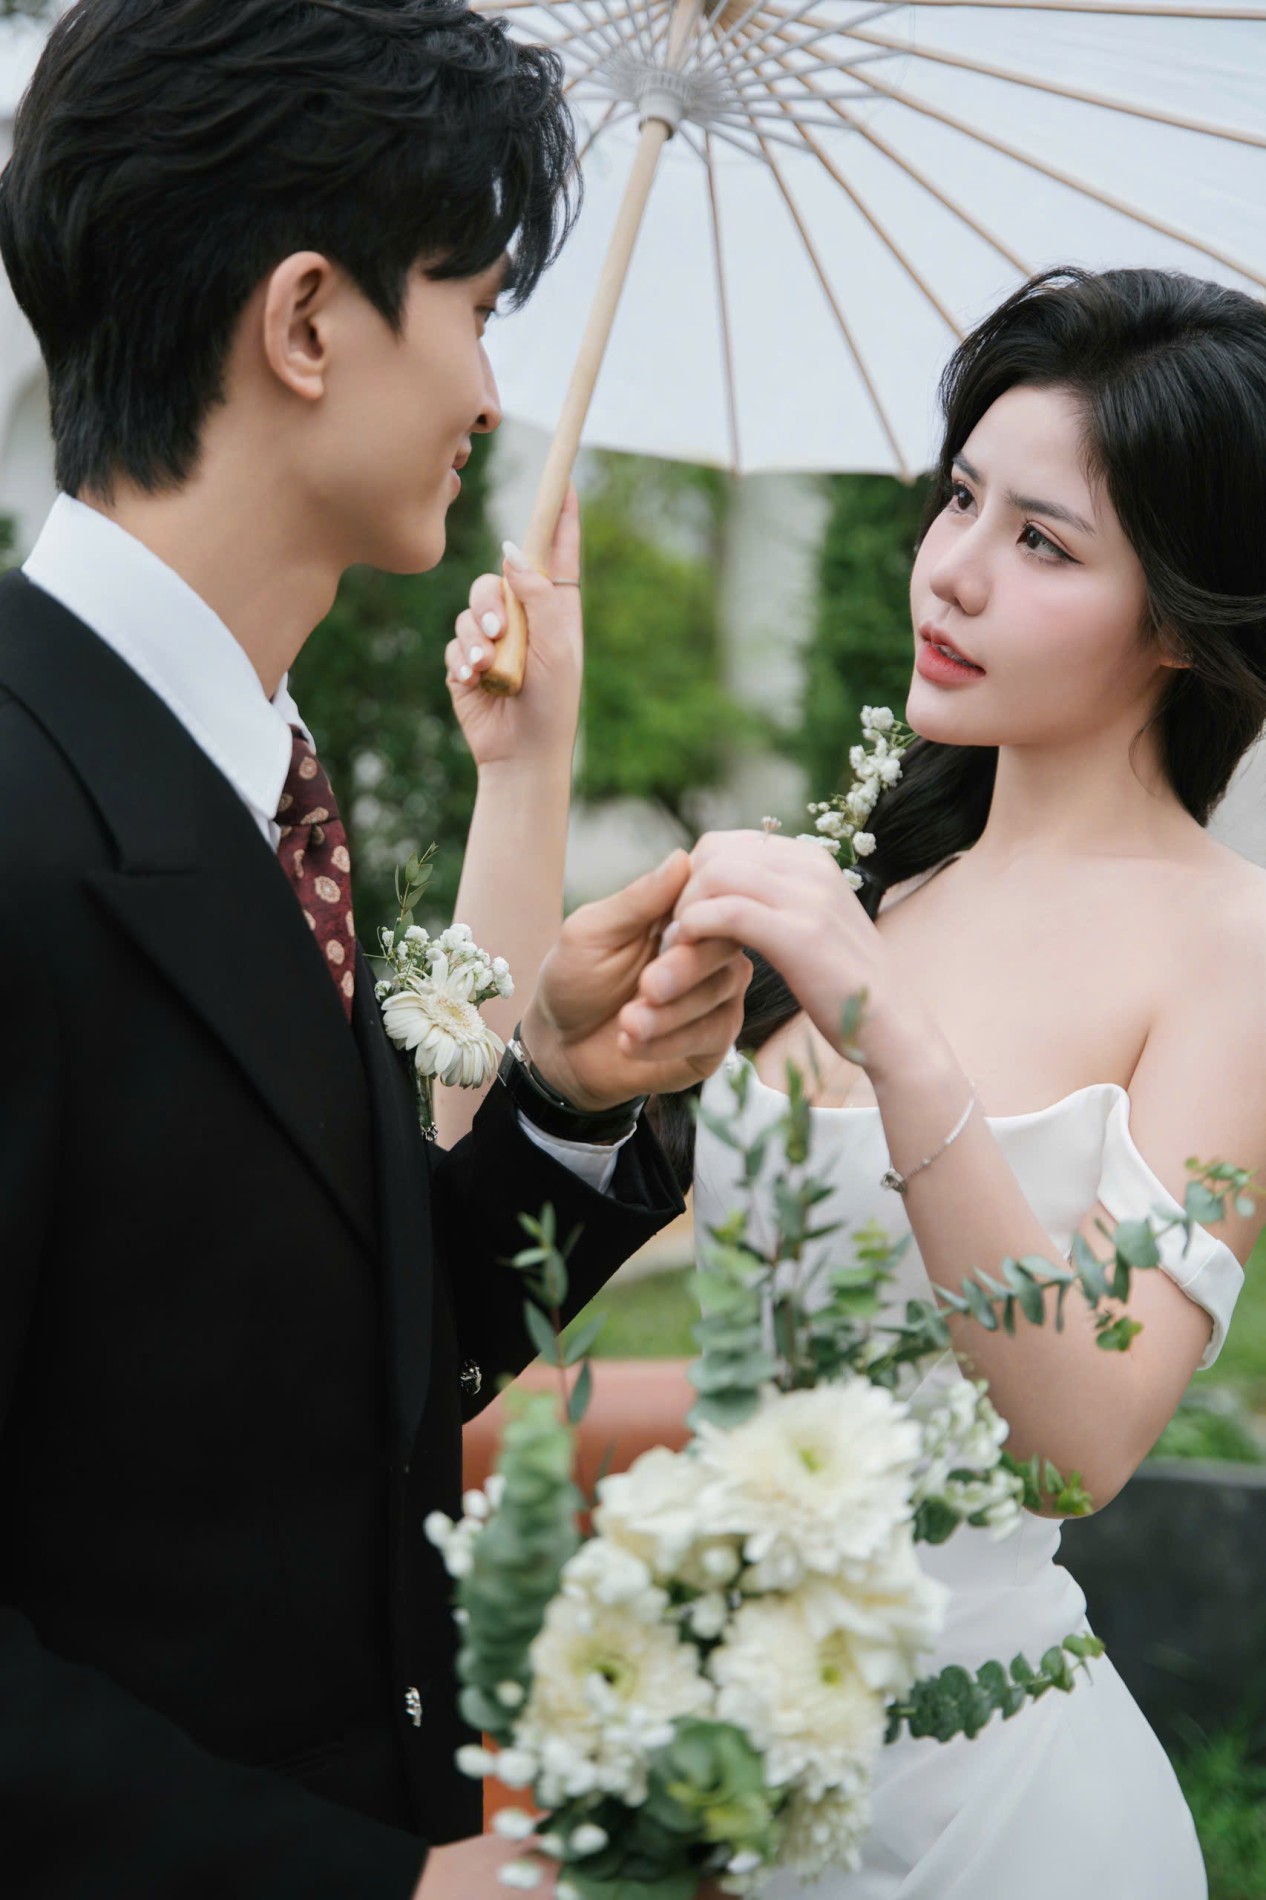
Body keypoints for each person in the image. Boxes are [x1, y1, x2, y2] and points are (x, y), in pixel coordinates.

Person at [0, 3, 750, 1895]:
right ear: (310, 322)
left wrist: (567, 1097)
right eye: (476, 307)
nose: (492, 392)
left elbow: (339, 1370)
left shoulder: (259, 782)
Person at [450, 266, 1266, 1897]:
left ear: (1178, 620)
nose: (951, 570)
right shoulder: (874, 886)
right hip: (744, 1784)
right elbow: (481, 1184)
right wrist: (527, 765)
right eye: (958, 499)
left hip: (1006, 1820)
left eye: (1041, 542)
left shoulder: (1225, 947)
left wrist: (892, 1034)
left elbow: (1078, 1443)